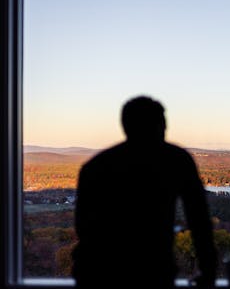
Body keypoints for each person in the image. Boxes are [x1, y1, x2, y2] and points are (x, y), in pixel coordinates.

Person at [72, 96, 216, 289]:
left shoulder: (96, 167)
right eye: (162, 122)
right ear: (159, 125)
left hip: (98, 273)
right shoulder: (176, 161)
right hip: (154, 271)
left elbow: (84, 227)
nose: (165, 128)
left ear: (125, 125)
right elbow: (199, 221)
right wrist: (208, 271)